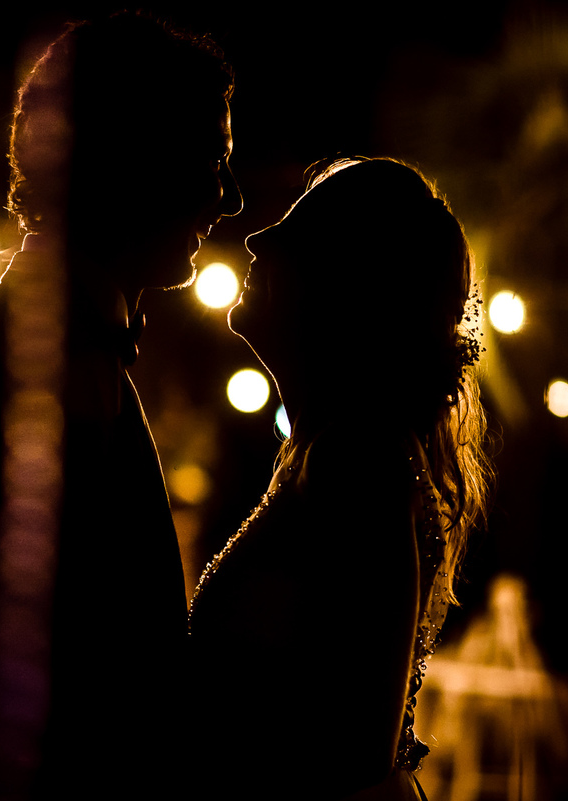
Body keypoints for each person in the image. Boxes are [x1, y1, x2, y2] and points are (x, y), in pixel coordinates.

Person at [0, 12, 240, 799]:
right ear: (131, 156)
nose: (229, 198)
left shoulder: (58, 341)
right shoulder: (35, 360)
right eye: (212, 160)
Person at [188, 157, 491, 799]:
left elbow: (353, 751)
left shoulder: (360, 459)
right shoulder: (326, 449)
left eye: (297, 232)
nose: (255, 238)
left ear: (349, 283)